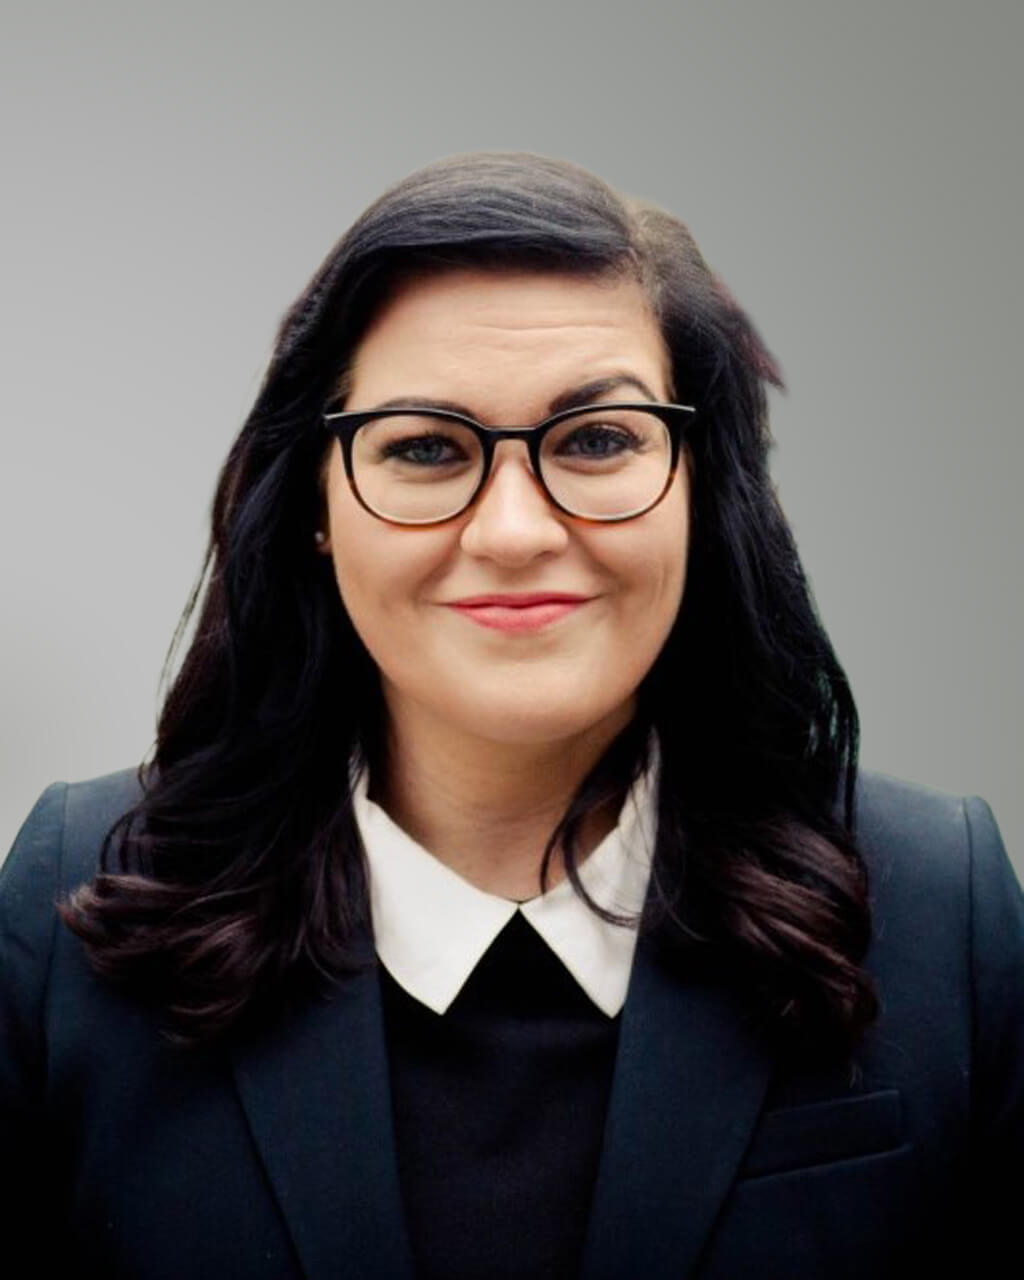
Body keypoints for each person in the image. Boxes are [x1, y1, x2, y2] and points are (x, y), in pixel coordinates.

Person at [1, 152, 1021, 1280]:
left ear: (702, 486)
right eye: (426, 448)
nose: (515, 528)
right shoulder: (79, 907)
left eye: (595, 440)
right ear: (315, 508)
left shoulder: (938, 903)